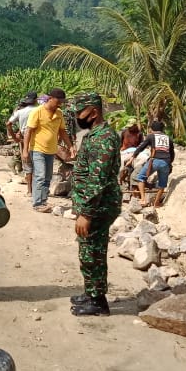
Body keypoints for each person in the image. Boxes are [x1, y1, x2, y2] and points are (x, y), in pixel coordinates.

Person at [66, 92, 122, 317]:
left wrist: (86, 213)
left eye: (81, 112)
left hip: (99, 206)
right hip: (93, 205)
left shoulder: (103, 138)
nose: (78, 117)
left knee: (93, 253)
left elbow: (97, 180)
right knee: (88, 249)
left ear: (94, 112)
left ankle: (98, 302)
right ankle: (91, 293)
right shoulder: (95, 135)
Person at [21, 87, 74, 213]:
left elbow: (62, 131)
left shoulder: (59, 113)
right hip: (37, 149)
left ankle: (43, 201)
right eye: (58, 101)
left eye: (61, 102)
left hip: (51, 150)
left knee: (47, 177)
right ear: (50, 98)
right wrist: (25, 150)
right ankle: (37, 203)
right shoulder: (37, 112)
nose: (60, 104)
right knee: (39, 175)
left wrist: (71, 146)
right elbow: (28, 131)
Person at [135, 120, 175, 207]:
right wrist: (170, 164)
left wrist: (134, 155)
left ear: (152, 129)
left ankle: (143, 199)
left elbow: (141, 146)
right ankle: (156, 203)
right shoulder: (168, 138)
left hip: (155, 161)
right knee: (162, 184)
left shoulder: (151, 136)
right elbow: (172, 153)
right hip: (166, 162)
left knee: (140, 178)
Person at [5, 91, 39, 193]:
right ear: (36, 100)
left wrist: (14, 137)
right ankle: (39, 190)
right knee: (38, 164)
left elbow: (8, 124)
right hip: (38, 139)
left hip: (24, 139)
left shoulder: (20, 112)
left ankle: (29, 190)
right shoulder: (39, 110)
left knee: (28, 165)